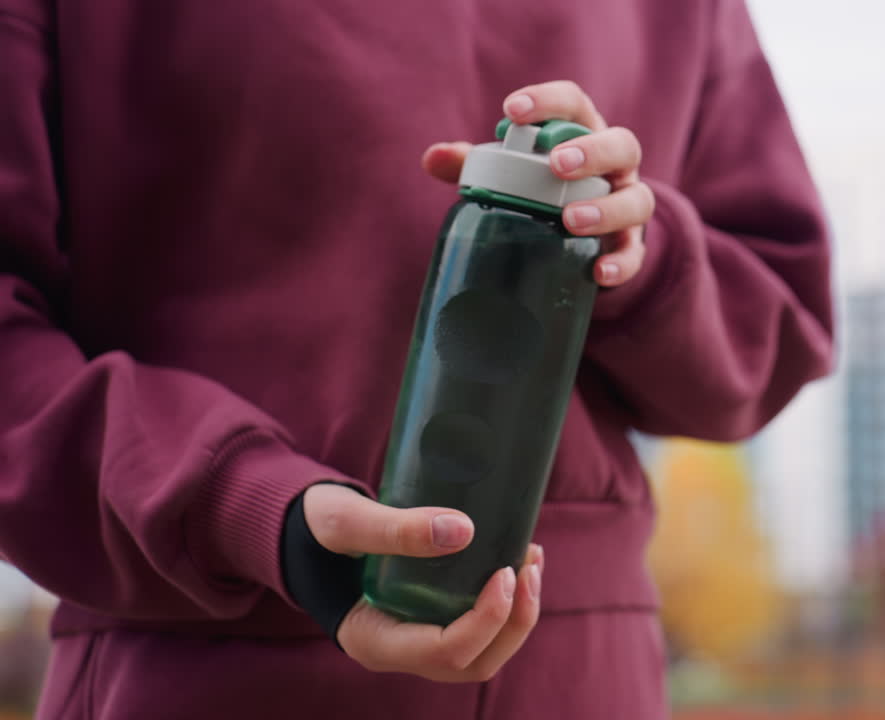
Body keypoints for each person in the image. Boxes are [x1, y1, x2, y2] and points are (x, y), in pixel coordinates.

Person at [0, 0, 834, 717]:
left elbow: (782, 322)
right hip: (202, 667)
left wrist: (623, 259)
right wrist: (247, 507)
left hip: (581, 677)